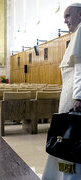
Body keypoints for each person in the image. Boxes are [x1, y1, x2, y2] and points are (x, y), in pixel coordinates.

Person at [42, 3, 81, 180]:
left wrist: (78, 96)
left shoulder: (80, 31)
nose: (64, 20)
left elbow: (80, 67)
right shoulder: (76, 34)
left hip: (74, 96)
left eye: (68, 16)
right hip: (71, 94)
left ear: (80, 14)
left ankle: (68, 176)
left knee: (70, 137)